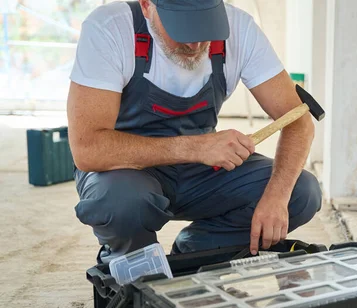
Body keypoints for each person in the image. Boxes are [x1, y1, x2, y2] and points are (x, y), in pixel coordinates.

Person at [67, 0, 321, 263]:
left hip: (201, 171)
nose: (195, 45)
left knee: (302, 192)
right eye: (182, 28)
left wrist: (276, 197)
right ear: (146, 5)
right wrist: (196, 147)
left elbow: (298, 120)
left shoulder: (240, 28)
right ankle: (134, 265)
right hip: (128, 169)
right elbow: (88, 148)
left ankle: (197, 253)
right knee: (120, 204)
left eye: (206, 26)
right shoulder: (110, 28)